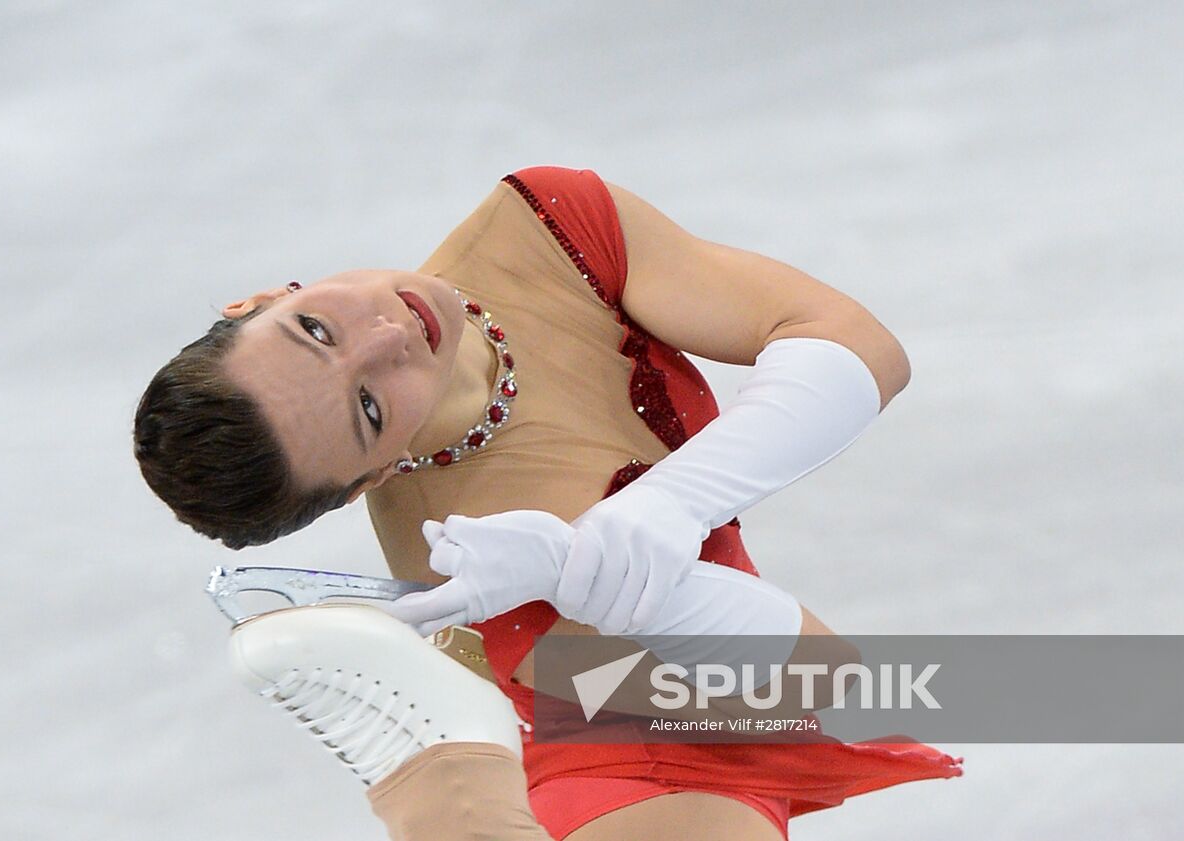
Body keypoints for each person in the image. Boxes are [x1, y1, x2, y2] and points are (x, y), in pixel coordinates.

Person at [133, 166, 962, 839]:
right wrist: (584, 573)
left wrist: (672, 502)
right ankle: (448, 792)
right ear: (372, 479)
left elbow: (852, 343)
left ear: (258, 298)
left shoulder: (544, 230)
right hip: (629, 754)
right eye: (369, 409)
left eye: (314, 329)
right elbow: (817, 687)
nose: (388, 337)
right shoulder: (466, 559)